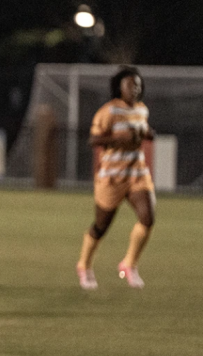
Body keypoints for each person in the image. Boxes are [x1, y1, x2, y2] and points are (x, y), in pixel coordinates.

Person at [76, 66, 155, 290]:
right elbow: (93, 140)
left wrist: (146, 133)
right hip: (112, 176)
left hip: (137, 174)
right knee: (101, 226)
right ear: (119, 87)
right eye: (130, 84)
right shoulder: (108, 111)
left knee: (148, 218)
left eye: (138, 84)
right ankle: (84, 265)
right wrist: (119, 138)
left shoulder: (142, 110)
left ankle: (129, 264)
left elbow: (146, 131)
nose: (135, 88)